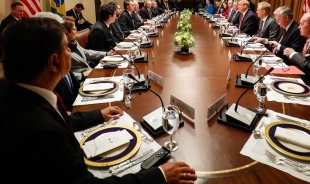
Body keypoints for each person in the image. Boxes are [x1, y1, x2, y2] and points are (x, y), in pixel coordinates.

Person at [0, 17, 197, 183]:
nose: (70, 52)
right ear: (54, 62)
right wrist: (159, 175)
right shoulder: (42, 133)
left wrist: (97, 115)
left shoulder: (18, 93)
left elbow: (62, 119)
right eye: (67, 48)